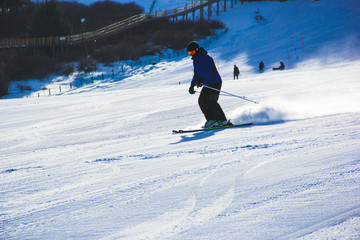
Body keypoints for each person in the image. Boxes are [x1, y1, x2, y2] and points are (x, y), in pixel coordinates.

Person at [186, 41, 230, 128]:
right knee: (202, 101)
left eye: (193, 52)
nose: (191, 54)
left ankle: (222, 120)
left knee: (211, 101)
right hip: (207, 84)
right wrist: (192, 85)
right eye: (189, 53)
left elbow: (208, 70)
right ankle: (211, 120)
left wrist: (202, 79)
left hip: (215, 82)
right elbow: (196, 74)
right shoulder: (195, 61)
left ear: (197, 50)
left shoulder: (206, 58)